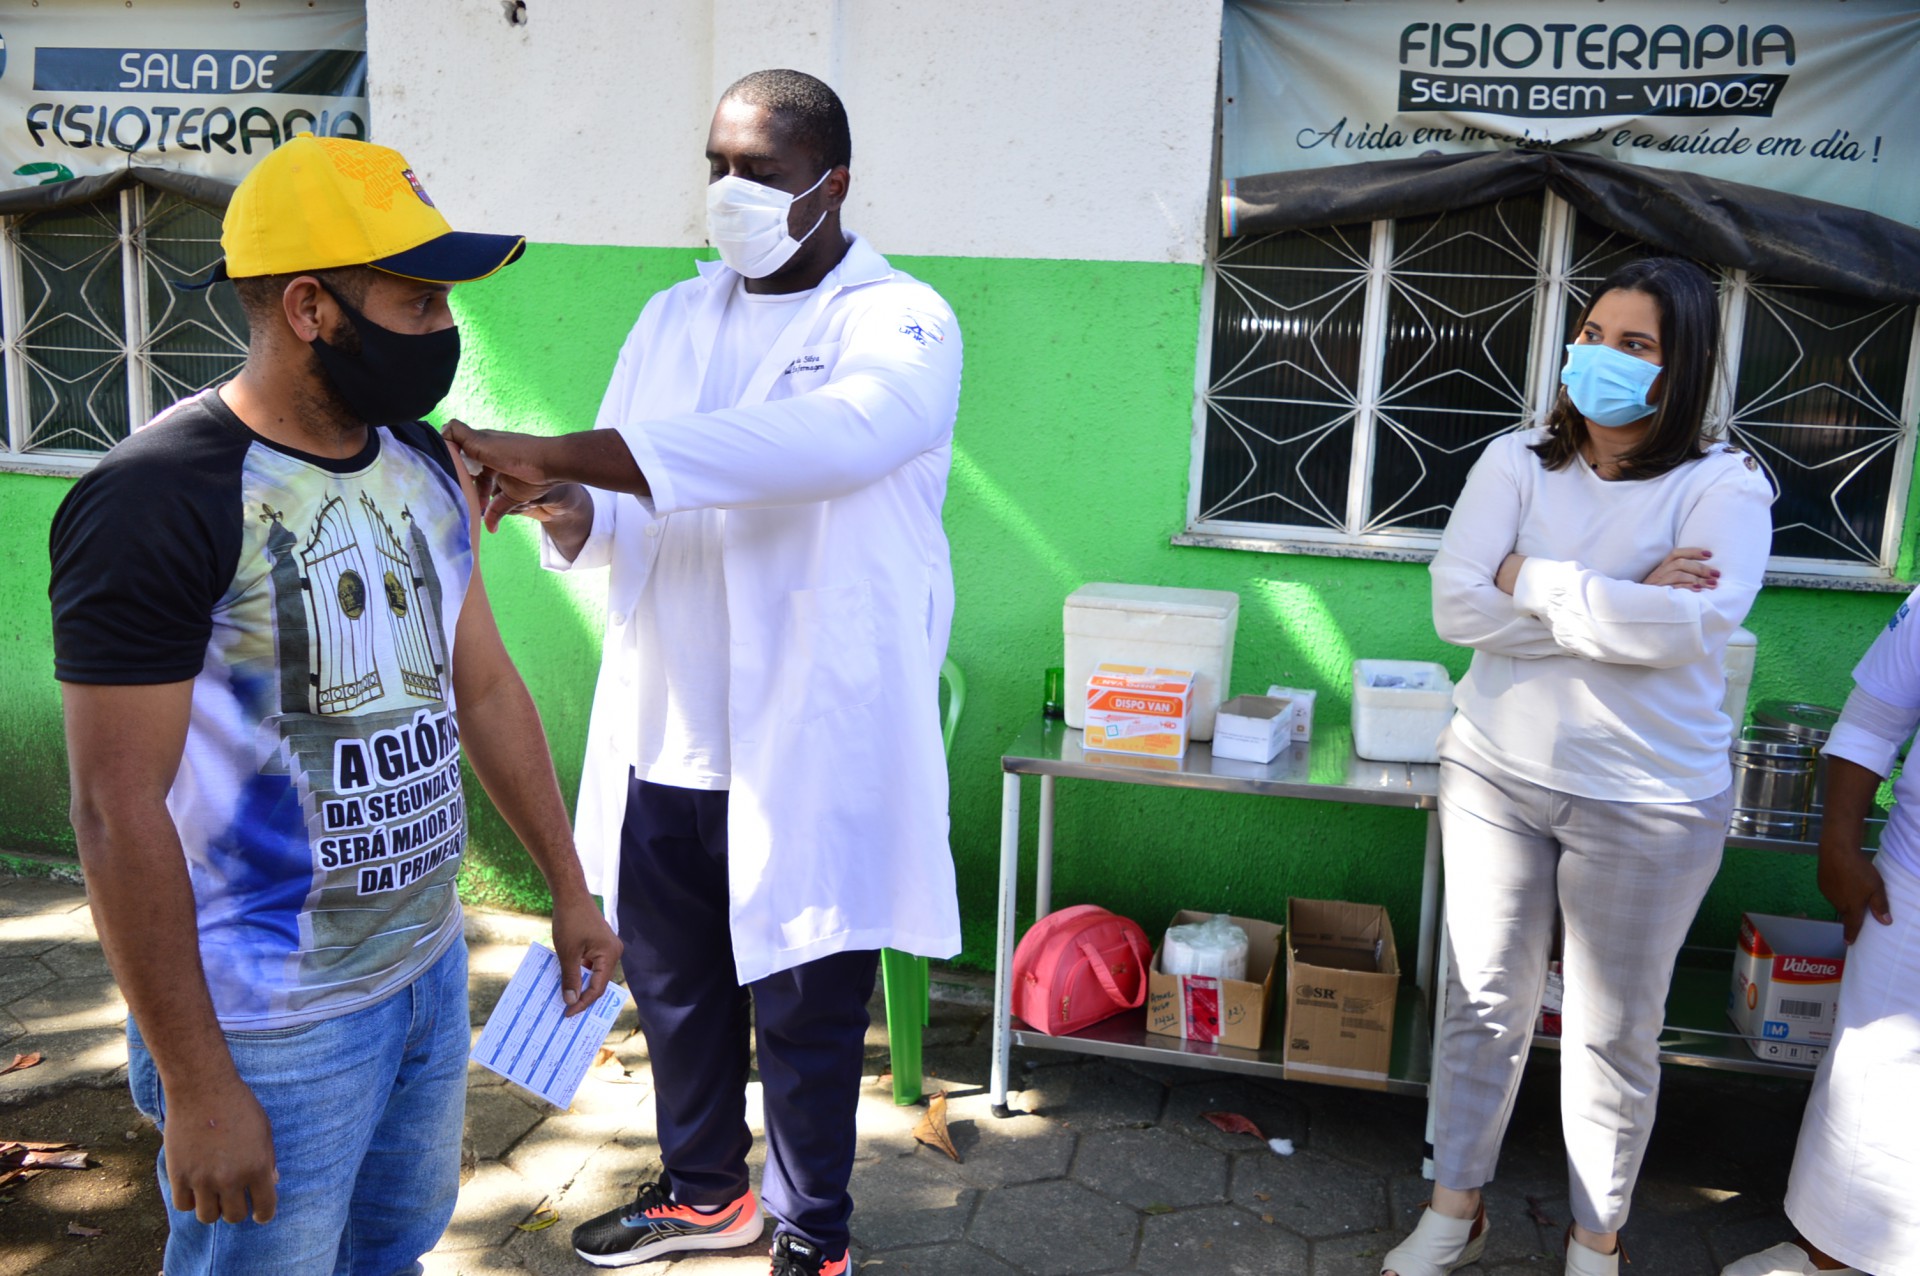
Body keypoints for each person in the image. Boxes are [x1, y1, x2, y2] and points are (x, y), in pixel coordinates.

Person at [48, 135, 622, 1276]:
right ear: (311, 307)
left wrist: (570, 888)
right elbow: (115, 811)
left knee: (392, 1255)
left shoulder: (423, 461)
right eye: (418, 302)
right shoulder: (157, 499)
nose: (444, 330)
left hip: (423, 971)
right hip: (267, 1026)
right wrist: (199, 1084)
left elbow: (483, 685)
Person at [444, 69, 963, 1276]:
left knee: (807, 1005)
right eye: (717, 167)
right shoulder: (671, 320)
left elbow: (826, 442)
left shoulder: (903, 322)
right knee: (677, 986)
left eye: (761, 173)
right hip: (672, 721)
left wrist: (565, 449)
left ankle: (814, 1233)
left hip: (811, 730)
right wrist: (561, 499)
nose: (731, 191)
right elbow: (622, 507)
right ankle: (704, 1193)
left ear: (832, 184)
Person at [1383, 257, 1775, 1276]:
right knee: (1481, 1003)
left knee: (1613, 1033)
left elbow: (1690, 630)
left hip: (1650, 798)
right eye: (1593, 334)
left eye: (1636, 344)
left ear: (1683, 366)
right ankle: (1454, 1210)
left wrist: (1529, 580)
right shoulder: (1516, 459)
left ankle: (1596, 1240)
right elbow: (1455, 606)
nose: (1602, 356)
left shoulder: (1726, 485)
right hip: (1494, 772)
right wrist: (1618, 590)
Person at [1718, 601, 1920, 1276]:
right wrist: (1838, 845)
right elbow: (1871, 723)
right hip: (1912, 885)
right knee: (1876, 1071)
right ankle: (1828, 1260)